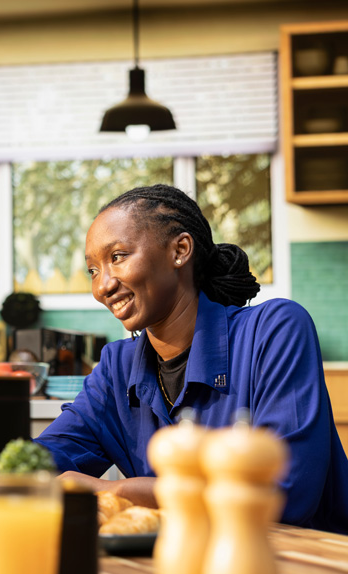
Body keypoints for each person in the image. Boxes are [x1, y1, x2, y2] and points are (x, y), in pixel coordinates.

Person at [31, 184, 348, 535]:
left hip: (308, 571)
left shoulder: (273, 330)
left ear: (180, 250)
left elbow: (282, 497)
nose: (103, 285)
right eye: (93, 270)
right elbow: (33, 466)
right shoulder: (117, 369)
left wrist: (115, 490)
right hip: (186, 571)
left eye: (117, 257)